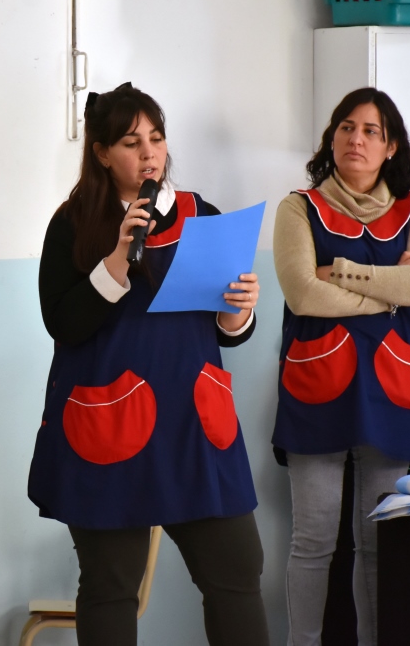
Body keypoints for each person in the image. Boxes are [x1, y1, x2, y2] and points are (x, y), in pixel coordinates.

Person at [27, 82, 270, 646]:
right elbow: (62, 324)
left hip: (195, 423)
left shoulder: (199, 214)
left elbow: (228, 332)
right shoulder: (72, 225)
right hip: (110, 422)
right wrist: (116, 258)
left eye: (156, 139)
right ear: (101, 153)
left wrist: (239, 312)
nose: (149, 153)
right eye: (132, 142)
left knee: (237, 569)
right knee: (112, 584)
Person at [272, 87, 410, 646]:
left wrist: (339, 272)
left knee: (377, 545)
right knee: (314, 540)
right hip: (316, 388)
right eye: (346, 127)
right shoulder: (298, 207)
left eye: (371, 130)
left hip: (390, 390)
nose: (357, 138)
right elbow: (302, 294)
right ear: (332, 138)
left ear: (390, 146)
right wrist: (391, 291)